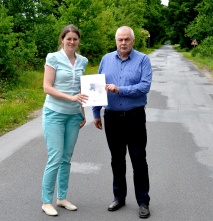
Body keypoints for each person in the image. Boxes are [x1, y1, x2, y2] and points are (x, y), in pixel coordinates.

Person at [92, 26, 152, 219]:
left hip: (134, 117)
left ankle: (143, 201)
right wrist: (95, 112)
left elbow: (144, 87)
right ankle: (119, 197)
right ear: (116, 40)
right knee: (116, 160)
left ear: (133, 41)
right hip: (112, 118)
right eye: (120, 39)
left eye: (127, 39)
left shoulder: (143, 60)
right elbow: (97, 87)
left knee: (138, 159)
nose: (123, 43)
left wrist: (120, 90)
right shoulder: (106, 59)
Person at [41, 24, 88, 216]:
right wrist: (70, 98)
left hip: (73, 115)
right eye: (68, 38)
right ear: (62, 39)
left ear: (78, 41)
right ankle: (46, 201)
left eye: (75, 39)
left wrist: (82, 112)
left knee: (66, 159)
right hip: (54, 113)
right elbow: (47, 87)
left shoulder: (83, 61)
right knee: (55, 157)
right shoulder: (53, 57)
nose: (72, 42)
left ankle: (61, 198)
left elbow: (81, 89)